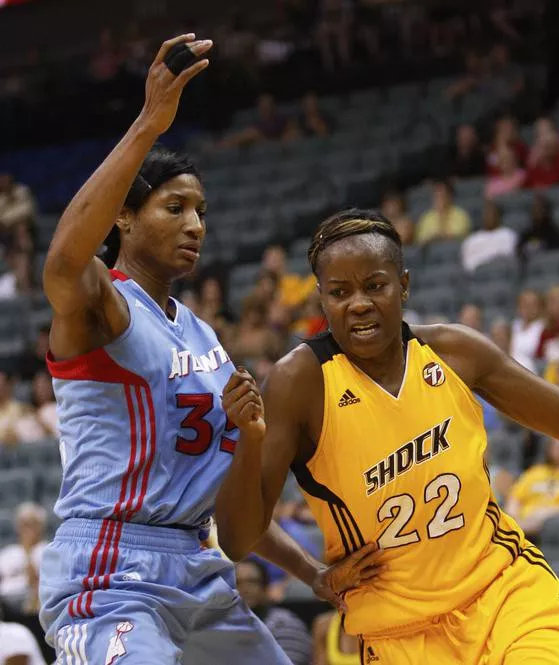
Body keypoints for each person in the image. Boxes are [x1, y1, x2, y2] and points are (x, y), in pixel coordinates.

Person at [215, 208, 559, 664]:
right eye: (339, 292)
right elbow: (238, 538)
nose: (358, 302)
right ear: (322, 300)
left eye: (374, 285)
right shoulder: (301, 382)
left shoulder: (455, 351)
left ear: (403, 285)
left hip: (505, 596)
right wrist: (309, 569)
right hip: (398, 632)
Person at [38, 35, 374, 664]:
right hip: (113, 572)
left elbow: (222, 494)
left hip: (198, 569)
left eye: (201, 210)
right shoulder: (101, 307)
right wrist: (148, 122)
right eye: (175, 206)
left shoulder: (202, 336)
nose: (196, 224)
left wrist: (311, 574)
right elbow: (61, 261)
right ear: (125, 218)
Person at [235, 558, 312, 665]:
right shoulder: (224, 624)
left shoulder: (284, 624)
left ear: (266, 588)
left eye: (252, 581)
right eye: (237, 583)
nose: (244, 588)